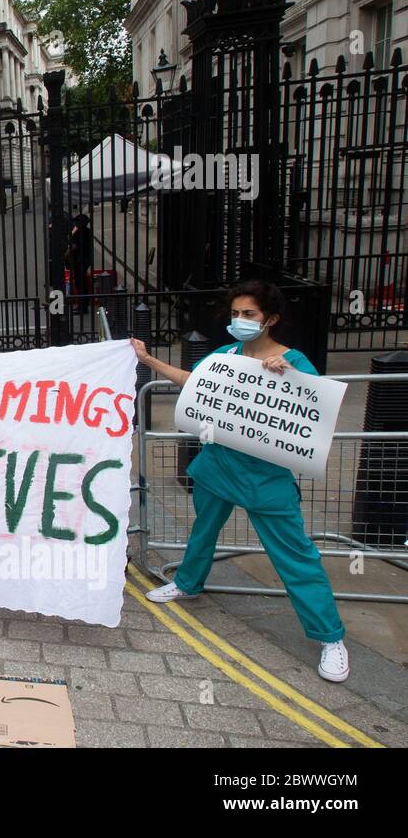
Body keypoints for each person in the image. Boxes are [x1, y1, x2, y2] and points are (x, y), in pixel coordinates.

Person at [131, 280, 350, 683]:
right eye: (235, 314)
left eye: (248, 314)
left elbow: (316, 412)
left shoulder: (295, 360)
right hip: (218, 466)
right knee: (202, 533)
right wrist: (148, 360)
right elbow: (191, 381)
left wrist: (289, 378)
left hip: (265, 477)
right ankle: (187, 583)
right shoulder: (224, 354)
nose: (239, 321)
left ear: (271, 319)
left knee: (295, 555)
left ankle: (329, 637)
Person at [66, 212, 93, 308]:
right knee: (82, 283)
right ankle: (83, 305)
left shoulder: (81, 233)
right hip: (83, 261)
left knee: (80, 283)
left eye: (78, 222)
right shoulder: (86, 231)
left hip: (80, 261)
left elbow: (74, 246)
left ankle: (82, 306)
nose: (76, 224)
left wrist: (67, 251)